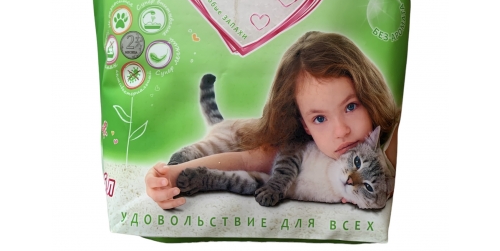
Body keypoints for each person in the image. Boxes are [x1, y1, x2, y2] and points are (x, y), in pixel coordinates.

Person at [145, 31, 399, 209]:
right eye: (320, 118)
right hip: (254, 132)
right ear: (305, 126)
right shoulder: (301, 144)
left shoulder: (393, 137)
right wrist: (170, 175)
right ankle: (188, 152)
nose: (341, 130)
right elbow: (247, 160)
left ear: (369, 95)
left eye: (351, 106)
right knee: (241, 134)